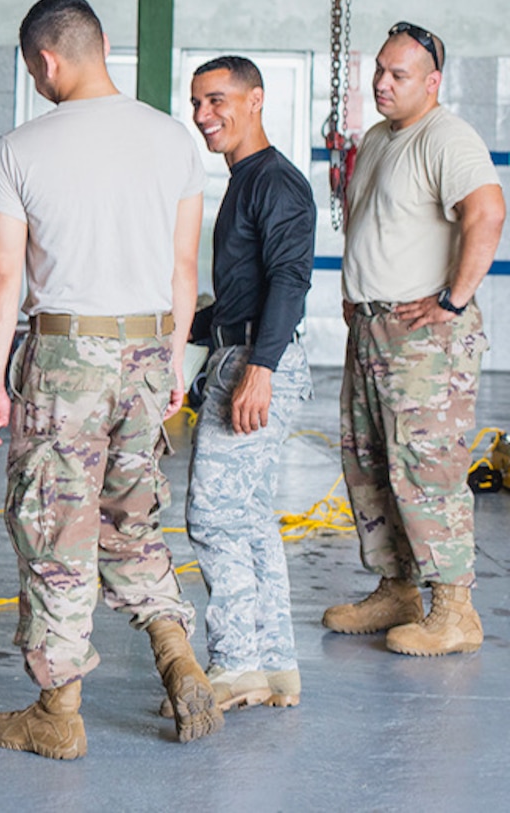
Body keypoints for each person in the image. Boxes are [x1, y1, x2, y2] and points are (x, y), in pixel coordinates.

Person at [0, 0, 220, 759]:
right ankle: (179, 658)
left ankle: (58, 711)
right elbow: (185, 266)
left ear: (45, 61)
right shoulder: (173, 139)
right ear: (102, 44)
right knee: (130, 514)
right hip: (148, 353)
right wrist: (175, 357)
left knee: (58, 525)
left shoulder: (21, 148)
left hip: (66, 358)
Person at [325, 21, 504, 655]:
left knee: (426, 468)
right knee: (371, 462)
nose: (381, 82)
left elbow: (488, 211)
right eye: (378, 70)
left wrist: (453, 300)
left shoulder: (447, 137)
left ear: (431, 83)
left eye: (398, 75)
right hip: (372, 329)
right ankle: (397, 587)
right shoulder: (378, 137)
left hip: (422, 340)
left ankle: (454, 609)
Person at [182, 56, 316, 711]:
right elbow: (239, 297)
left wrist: (257, 370)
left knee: (213, 517)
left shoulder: (275, 183)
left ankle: (236, 665)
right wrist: (177, 324)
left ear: (255, 98)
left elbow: (290, 280)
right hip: (241, 350)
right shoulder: (244, 179)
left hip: (259, 360)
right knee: (251, 520)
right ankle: (275, 664)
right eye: (196, 102)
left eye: (216, 99)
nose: (203, 114)